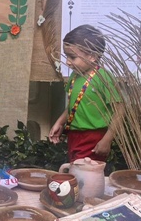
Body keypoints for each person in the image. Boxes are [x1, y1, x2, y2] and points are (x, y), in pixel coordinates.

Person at [48, 24, 122, 163]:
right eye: (66, 56)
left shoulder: (104, 78)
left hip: (94, 138)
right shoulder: (74, 76)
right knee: (76, 171)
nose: (68, 62)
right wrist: (59, 123)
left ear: (92, 56)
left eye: (72, 57)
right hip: (74, 136)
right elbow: (72, 106)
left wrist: (107, 139)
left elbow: (120, 110)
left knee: (86, 176)